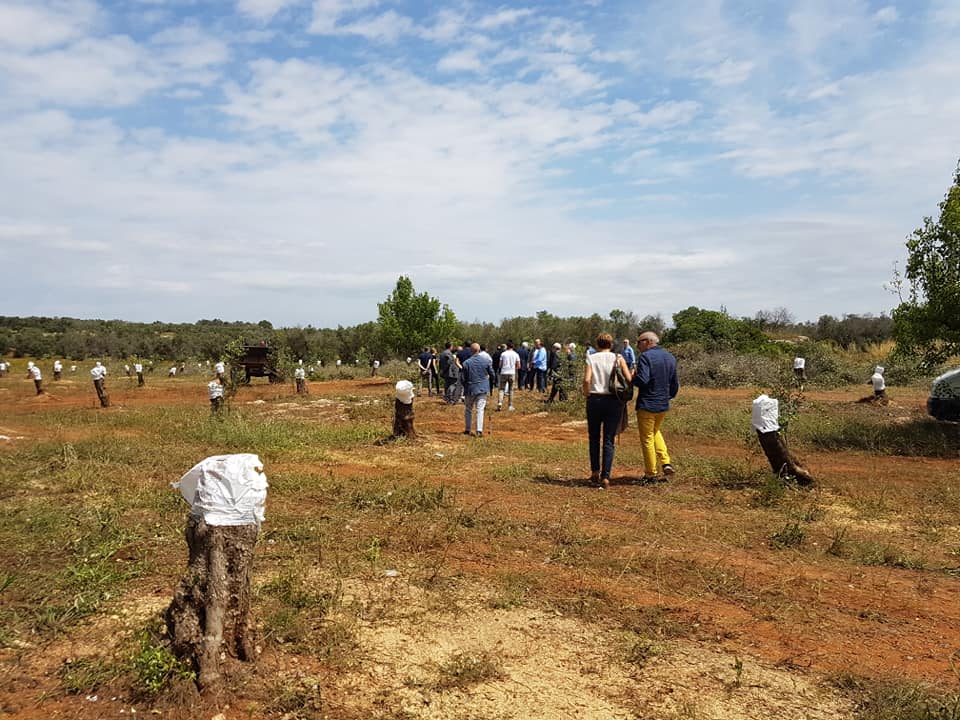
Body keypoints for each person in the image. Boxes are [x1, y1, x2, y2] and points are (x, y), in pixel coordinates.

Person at [583, 333, 632, 488]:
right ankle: (606, 477)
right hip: (613, 401)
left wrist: (587, 394)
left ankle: (594, 473)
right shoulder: (618, 358)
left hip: (595, 399)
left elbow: (586, 380)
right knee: (609, 439)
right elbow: (629, 379)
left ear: (597, 344)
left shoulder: (591, 357)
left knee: (594, 437)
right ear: (611, 344)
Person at [633, 331, 679, 484]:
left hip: (647, 404)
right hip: (662, 405)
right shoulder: (670, 357)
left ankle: (651, 474)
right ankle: (666, 462)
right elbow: (674, 385)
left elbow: (642, 380)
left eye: (638, 342)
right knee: (655, 432)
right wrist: (666, 397)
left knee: (646, 439)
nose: (637, 346)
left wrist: (631, 376)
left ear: (647, 342)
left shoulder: (646, 357)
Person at [460, 343, 497, 437]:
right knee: (480, 409)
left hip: (470, 389)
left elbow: (462, 379)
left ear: (471, 351)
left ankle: (467, 429)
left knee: (468, 409)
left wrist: (466, 386)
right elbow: (492, 374)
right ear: (479, 350)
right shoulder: (486, 361)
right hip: (482, 388)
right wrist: (491, 382)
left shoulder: (466, 363)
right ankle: (479, 430)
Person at [497, 341, 520, 411]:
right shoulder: (516, 354)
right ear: (513, 347)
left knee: (501, 389)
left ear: (507, 346)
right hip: (511, 372)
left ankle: (500, 402)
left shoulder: (503, 354)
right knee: (511, 390)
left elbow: (500, 365)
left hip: (504, 372)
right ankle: (510, 406)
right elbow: (519, 366)